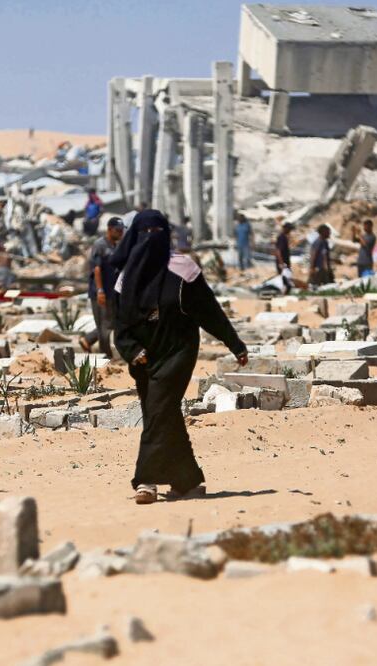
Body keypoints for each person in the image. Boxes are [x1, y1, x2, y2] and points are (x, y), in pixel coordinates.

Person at [111, 210, 248, 505]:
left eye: (157, 233)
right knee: (163, 415)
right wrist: (133, 351)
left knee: (159, 411)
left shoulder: (183, 270)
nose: (151, 239)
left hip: (178, 352)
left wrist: (235, 344)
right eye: (145, 233)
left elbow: (209, 311)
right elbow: (120, 327)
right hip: (144, 360)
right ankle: (187, 482)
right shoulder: (125, 279)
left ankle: (145, 480)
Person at [81, 217, 124, 356]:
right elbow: (97, 269)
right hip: (100, 292)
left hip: (112, 292)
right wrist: (100, 290)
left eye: (121, 230)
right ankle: (105, 355)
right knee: (104, 325)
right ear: (109, 229)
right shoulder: (100, 245)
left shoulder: (115, 246)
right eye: (117, 230)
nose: (120, 233)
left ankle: (87, 340)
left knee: (111, 323)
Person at [274, 221, 294, 293]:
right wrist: (281, 263)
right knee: (284, 280)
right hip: (283, 263)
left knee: (286, 280)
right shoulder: (282, 237)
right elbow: (278, 251)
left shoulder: (284, 237)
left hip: (284, 262)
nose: (290, 231)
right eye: (289, 229)